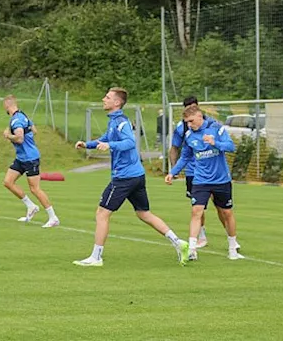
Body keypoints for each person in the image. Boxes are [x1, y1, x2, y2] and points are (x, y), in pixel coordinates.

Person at [74, 87, 186, 267]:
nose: (103, 99)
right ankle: (178, 242)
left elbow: (129, 142)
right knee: (144, 213)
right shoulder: (114, 121)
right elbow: (106, 138)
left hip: (125, 177)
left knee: (102, 213)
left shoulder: (121, 121)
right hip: (136, 175)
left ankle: (96, 257)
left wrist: (109, 145)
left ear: (117, 103)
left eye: (107, 97)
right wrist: (88, 144)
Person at [165, 103, 243, 262]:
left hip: (221, 179)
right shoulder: (189, 136)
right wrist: (173, 173)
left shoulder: (216, 128)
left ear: (200, 117)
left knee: (227, 213)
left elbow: (231, 147)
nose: (189, 124)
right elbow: (185, 157)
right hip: (201, 180)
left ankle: (232, 247)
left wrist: (215, 143)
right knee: (196, 211)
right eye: (187, 122)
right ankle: (192, 249)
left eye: (191, 121)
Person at [1, 95, 59, 228]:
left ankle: (53, 217)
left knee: (35, 189)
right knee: (8, 182)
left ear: (7, 105)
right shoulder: (23, 115)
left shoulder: (16, 120)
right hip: (21, 157)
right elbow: (34, 130)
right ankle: (31, 206)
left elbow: (20, 138)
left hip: (30, 158)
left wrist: (8, 135)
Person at [168, 96, 207, 249]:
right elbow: (174, 148)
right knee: (198, 206)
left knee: (222, 207)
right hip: (192, 172)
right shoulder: (181, 127)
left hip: (212, 171)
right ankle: (201, 236)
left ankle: (232, 238)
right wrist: (174, 169)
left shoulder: (210, 123)